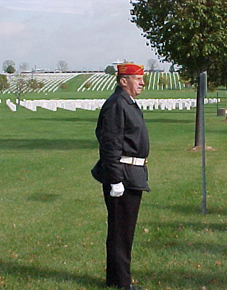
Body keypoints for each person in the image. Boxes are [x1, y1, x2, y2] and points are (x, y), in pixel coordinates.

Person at [91, 63, 150, 290]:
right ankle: (123, 284)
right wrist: (115, 179)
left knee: (122, 232)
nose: (142, 83)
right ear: (123, 81)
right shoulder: (117, 104)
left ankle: (116, 281)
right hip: (123, 176)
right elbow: (110, 144)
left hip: (131, 174)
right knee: (121, 233)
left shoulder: (127, 104)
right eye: (137, 79)